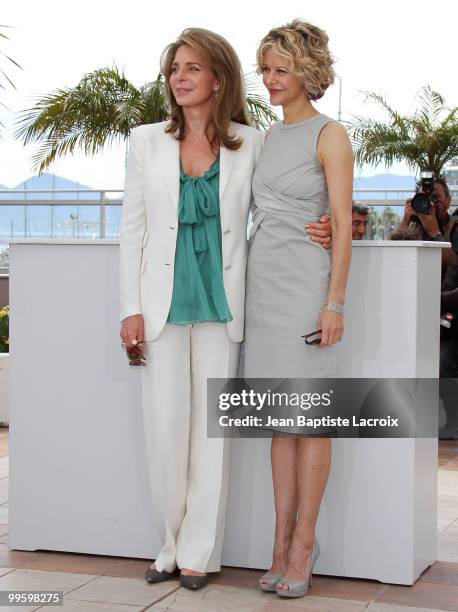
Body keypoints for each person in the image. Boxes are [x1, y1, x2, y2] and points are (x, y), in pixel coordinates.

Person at [119, 27, 332, 591]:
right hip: (160, 307)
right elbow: (131, 233)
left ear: (218, 79)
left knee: (211, 437)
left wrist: (338, 222)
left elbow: (294, 193)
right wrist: (128, 309)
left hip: (227, 307)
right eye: (173, 70)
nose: (180, 79)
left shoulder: (251, 141)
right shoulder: (145, 142)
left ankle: (198, 553)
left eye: (192, 68)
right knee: (165, 430)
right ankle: (169, 544)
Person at [243, 19, 353, 599]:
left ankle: (304, 547)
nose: (270, 80)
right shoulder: (263, 137)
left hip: (307, 291)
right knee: (277, 424)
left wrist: (334, 302)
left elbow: (341, 227)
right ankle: (279, 542)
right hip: (263, 287)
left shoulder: (330, 134)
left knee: (310, 423)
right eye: (265, 69)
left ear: (306, 72)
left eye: (280, 70)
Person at [396, 177, 458, 278]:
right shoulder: (413, 227)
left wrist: (435, 232)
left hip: (446, 289)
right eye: (425, 198)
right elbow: (392, 257)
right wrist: (405, 222)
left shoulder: (455, 226)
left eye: (435, 198)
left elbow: (454, 265)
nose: (430, 204)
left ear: (448, 201)